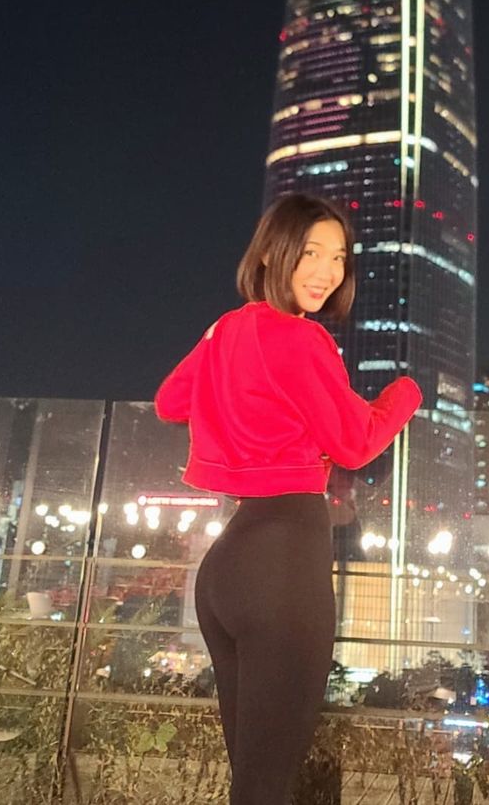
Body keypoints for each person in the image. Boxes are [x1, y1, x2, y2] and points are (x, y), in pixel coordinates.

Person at [155, 193, 422, 805]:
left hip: (226, 567)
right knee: (266, 787)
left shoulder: (228, 327)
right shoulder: (302, 339)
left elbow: (170, 402)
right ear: (272, 254)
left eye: (339, 257)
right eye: (310, 253)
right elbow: (355, 443)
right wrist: (405, 394)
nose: (327, 271)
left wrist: (235, 383)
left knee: (251, 781)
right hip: (283, 566)